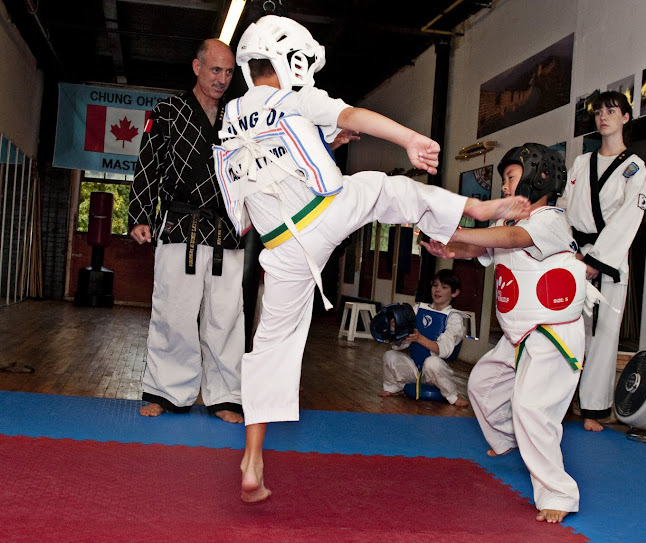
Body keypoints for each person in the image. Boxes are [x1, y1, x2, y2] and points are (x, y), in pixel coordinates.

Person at [213, 15, 531, 503]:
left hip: (281, 249)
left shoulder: (232, 117)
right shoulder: (294, 98)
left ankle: (252, 458)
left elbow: (271, 176)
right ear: (288, 60)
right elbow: (354, 114)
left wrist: (323, 145)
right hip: (322, 216)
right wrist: (408, 139)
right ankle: (479, 210)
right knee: (391, 188)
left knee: (268, 348)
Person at [423, 143, 591, 524]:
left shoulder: (550, 219)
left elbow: (514, 242)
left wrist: (463, 230)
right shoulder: (504, 225)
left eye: (510, 179)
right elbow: (481, 250)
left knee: (532, 407)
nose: (503, 188)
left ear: (538, 178)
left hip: (554, 336)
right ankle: (512, 439)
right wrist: (452, 249)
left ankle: (558, 494)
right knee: (481, 386)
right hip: (517, 335)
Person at [128, 39, 245, 423]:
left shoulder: (239, 117)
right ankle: (165, 392)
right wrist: (140, 215)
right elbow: (148, 164)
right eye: (215, 70)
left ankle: (225, 395)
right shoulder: (168, 112)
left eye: (229, 72)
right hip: (180, 224)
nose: (222, 79)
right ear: (197, 67)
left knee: (226, 317)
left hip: (226, 227)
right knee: (173, 313)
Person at [558, 91, 646, 432]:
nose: (603, 117)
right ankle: (562, 398)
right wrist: (571, 251)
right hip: (576, 255)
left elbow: (629, 217)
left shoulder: (634, 166)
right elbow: (566, 207)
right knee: (571, 331)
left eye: (611, 111)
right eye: (598, 112)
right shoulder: (582, 163)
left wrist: (597, 258)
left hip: (609, 259)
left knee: (606, 334)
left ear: (626, 117)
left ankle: (593, 409)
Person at [378, 269, 469, 407]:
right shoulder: (418, 309)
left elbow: (445, 350)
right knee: (390, 355)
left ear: (454, 293)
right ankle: (393, 386)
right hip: (414, 369)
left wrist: (420, 338)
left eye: (444, 287)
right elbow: (400, 344)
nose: (437, 290)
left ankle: (452, 395)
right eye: (435, 285)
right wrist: (395, 328)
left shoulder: (454, 317)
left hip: (435, 373)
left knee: (432, 362)